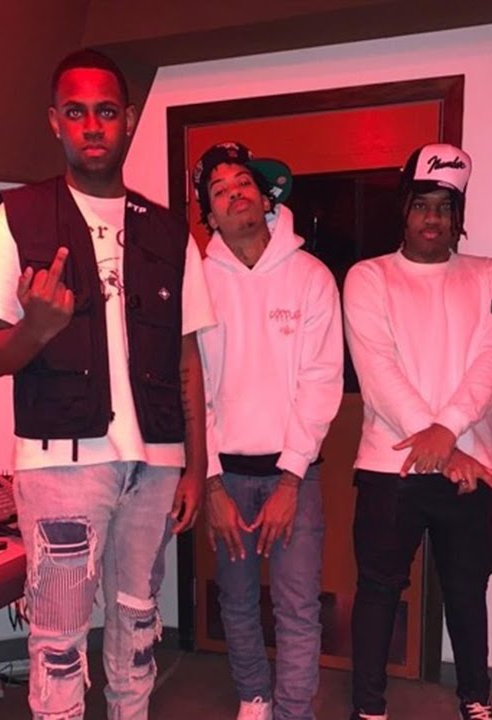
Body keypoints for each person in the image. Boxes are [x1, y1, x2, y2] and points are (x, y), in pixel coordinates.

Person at [0, 48, 215, 720]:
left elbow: (187, 357)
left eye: (105, 112)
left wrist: (196, 467)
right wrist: (36, 329)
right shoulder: (18, 218)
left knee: (137, 628)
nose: (92, 126)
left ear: (128, 120)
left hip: (155, 463)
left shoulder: (169, 232)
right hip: (61, 464)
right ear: (55, 121)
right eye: (75, 113)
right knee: (58, 642)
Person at [342, 143, 492, 720]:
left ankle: (477, 697)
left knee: (467, 588)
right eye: (421, 204)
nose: (433, 218)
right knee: (378, 589)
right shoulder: (368, 277)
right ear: (404, 209)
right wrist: (442, 444)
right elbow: (377, 370)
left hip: (472, 465)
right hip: (390, 464)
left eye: (445, 206)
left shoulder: (491, 275)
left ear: (458, 214)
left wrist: (449, 435)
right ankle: (368, 707)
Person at [192, 142, 343, 720]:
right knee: (235, 602)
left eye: (243, 183)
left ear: (265, 197)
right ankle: (254, 696)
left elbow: (321, 381)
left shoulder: (310, 277)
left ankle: (294, 711)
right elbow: (194, 390)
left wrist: (290, 480)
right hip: (226, 476)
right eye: (219, 190)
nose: (234, 194)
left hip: (293, 474)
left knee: (297, 607)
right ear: (210, 215)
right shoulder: (198, 282)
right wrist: (210, 485)